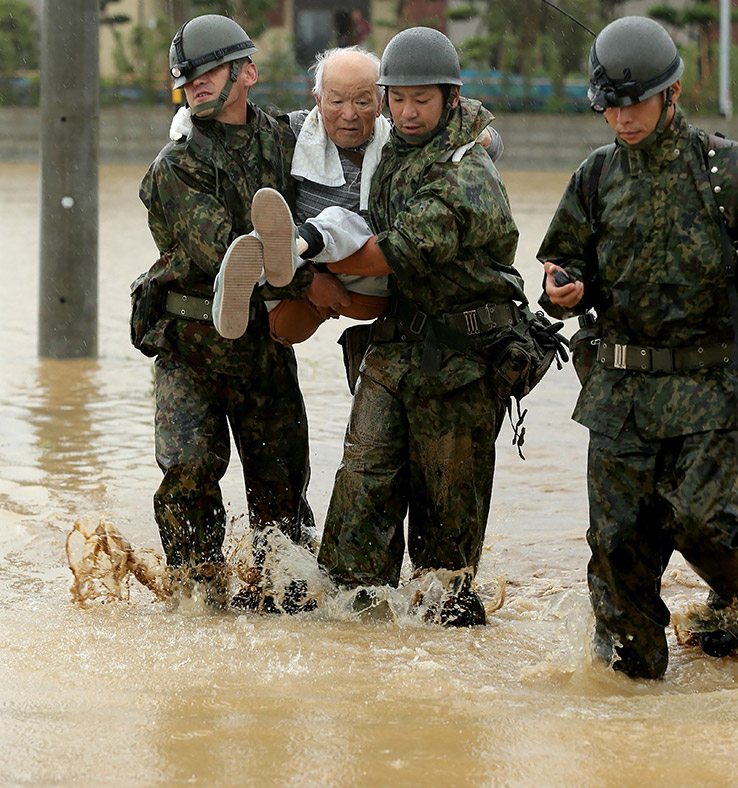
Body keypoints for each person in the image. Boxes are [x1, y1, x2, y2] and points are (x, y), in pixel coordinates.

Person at [316, 27, 549, 626]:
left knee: (444, 566)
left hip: (461, 360)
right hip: (393, 348)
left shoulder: (463, 175)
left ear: (448, 97)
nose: (407, 112)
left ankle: (446, 681)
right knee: (355, 517)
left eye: (423, 99)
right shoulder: (393, 143)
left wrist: (298, 256)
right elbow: (323, 117)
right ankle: (350, 652)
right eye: (397, 99)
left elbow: (384, 257)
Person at [538, 16, 738, 678]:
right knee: (618, 548)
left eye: (636, 104)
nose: (623, 119)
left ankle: (729, 605)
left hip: (709, 392)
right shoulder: (595, 177)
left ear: (672, 92)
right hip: (620, 395)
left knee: (707, 524)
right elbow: (563, 260)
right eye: (610, 108)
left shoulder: (722, 172)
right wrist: (563, 286)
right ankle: (630, 688)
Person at [134, 14, 328, 607]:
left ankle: (287, 601)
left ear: (247, 72)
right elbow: (221, 252)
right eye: (186, 76)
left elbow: (354, 152)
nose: (194, 82)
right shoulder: (177, 164)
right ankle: (199, 602)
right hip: (191, 342)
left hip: (264, 342)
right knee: (189, 474)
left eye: (208, 70)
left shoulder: (290, 141)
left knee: (283, 492)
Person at [208, 45, 504, 347]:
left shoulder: (398, 139)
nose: (349, 115)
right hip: (295, 275)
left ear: (380, 104)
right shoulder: (296, 129)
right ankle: (236, 284)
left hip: (365, 269)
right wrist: (184, 124)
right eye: (336, 101)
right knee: (259, 241)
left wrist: (466, 130)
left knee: (343, 220)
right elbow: (241, 124)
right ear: (318, 101)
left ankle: (298, 243)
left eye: (363, 102)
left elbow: (491, 148)